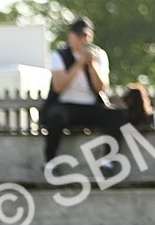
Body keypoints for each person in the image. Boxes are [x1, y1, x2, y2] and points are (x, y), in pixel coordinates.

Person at [41, 16, 128, 164]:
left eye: (86, 35)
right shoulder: (59, 55)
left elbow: (101, 87)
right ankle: (50, 161)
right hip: (66, 106)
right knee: (55, 116)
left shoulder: (99, 55)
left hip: (91, 106)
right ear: (70, 36)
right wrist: (79, 63)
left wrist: (92, 65)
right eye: (79, 35)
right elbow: (58, 86)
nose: (83, 39)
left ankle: (108, 160)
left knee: (118, 115)